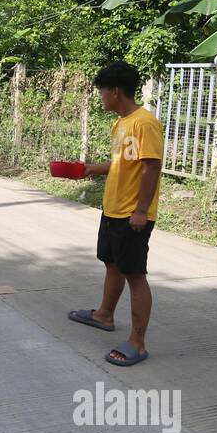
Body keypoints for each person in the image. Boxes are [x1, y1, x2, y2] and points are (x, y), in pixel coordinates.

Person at [67, 61, 164, 367]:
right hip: (112, 208)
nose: (100, 97)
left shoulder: (144, 123)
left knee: (135, 275)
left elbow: (151, 167)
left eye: (102, 92)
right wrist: (88, 170)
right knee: (112, 264)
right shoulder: (121, 123)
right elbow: (124, 164)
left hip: (132, 214)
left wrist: (140, 210)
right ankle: (104, 315)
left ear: (115, 91)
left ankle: (138, 342)